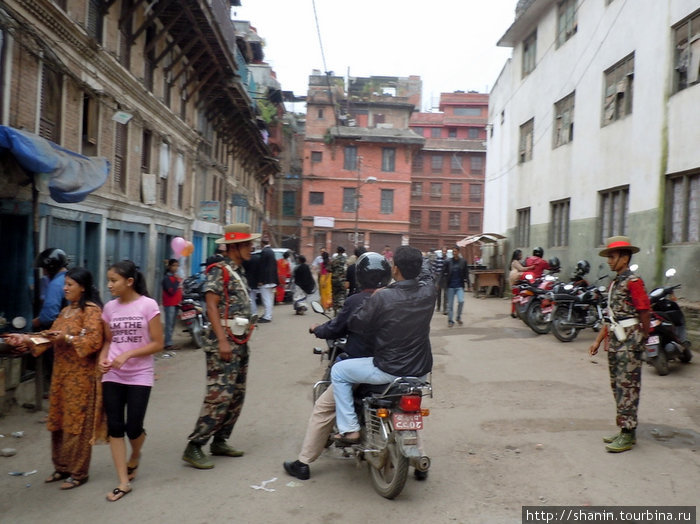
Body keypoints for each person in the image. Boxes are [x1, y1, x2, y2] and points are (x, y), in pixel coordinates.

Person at [283, 252, 391, 480]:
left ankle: (303, 462)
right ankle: (419, 456)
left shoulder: (355, 301)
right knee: (399, 405)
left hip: (361, 366)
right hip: (392, 364)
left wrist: (317, 329)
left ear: (359, 276)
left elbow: (335, 328)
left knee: (323, 408)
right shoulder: (394, 299)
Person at [6, 267, 104, 490]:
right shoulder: (66, 311)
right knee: (58, 421)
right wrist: (24, 338)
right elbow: (49, 337)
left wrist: (68, 338)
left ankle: (78, 473)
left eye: (70, 284)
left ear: (83, 287)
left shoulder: (91, 311)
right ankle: (61, 467)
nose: (65, 288)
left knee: (77, 423)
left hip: (81, 378)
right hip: (61, 375)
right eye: (65, 284)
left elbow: (92, 342)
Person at [330, 246, 435, 444]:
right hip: (421, 371)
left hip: (389, 369)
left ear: (395, 269)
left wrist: (372, 299)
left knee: (338, 371)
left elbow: (356, 324)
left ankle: (350, 429)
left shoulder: (382, 297)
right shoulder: (429, 292)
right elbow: (428, 272)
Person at [182, 223, 259, 469]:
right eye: (247, 244)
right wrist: (223, 340)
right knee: (219, 395)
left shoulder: (239, 270)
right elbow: (211, 305)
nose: (251, 248)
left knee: (236, 394)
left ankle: (220, 439)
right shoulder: (219, 271)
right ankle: (194, 445)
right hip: (223, 343)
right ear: (235, 246)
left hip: (239, 341)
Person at [99, 260, 164, 502]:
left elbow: (157, 343)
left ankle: (135, 455)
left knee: (133, 427)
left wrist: (128, 354)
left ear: (129, 282)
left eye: (114, 281)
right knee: (115, 427)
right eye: (108, 280)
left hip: (140, 374)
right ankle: (123, 482)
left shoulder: (148, 305)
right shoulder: (109, 308)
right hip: (113, 374)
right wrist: (103, 359)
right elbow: (108, 340)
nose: (109, 285)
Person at [589, 236, 650, 453]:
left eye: (612, 256)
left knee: (629, 389)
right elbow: (611, 317)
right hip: (615, 341)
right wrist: (597, 341)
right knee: (617, 386)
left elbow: (644, 311)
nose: (609, 261)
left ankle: (629, 434)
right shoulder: (615, 282)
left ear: (624, 258)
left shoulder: (634, 282)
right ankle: (624, 429)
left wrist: (643, 339)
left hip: (630, 343)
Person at [443, 246, 469, 327]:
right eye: (453, 252)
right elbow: (443, 272)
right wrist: (440, 283)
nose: (454, 253)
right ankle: (450, 321)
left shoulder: (463, 262)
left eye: (455, 251)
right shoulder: (448, 262)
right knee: (450, 305)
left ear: (458, 252)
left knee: (461, 301)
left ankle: (458, 317)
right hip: (450, 286)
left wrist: (469, 284)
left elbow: (466, 273)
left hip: (459, 286)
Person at [161, 259, 182, 351]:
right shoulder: (166, 279)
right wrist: (177, 281)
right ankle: (168, 344)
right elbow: (171, 291)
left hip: (176, 303)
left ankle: (169, 342)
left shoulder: (174, 277)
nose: (176, 267)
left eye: (177, 265)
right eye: (174, 265)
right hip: (170, 304)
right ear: (169, 266)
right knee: (169, 324)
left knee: (172, 324)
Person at [257, 239, 278, 323]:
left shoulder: (264, 252)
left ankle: (267, 316)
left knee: (266, 299)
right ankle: (268, 314)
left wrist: (260, 280)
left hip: (265, 280)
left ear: (262, 243)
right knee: (270, 298)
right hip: (272, 279)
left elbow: (262, 268)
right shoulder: (271, 252)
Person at [330, 246, 347, 314]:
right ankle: (341, 309)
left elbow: (329, 269)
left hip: (335, 279)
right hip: (343, 280)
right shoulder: (346, 260)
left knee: (334, 294)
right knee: (342, 294)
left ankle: (335, 310)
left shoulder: (334, 259)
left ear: (337, 251)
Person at [432, 246, 448, 315]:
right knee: (438, 293)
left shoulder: (449, 260)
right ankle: (438, 306)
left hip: (446, 278)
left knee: (446, 294)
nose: (444, 252)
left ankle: (445, 309)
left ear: (446, 252)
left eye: (445, 251)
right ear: (441, 252)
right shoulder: (437, 259)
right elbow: (433, 268)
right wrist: (435, 277)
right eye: (443, 251)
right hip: (438, 278)